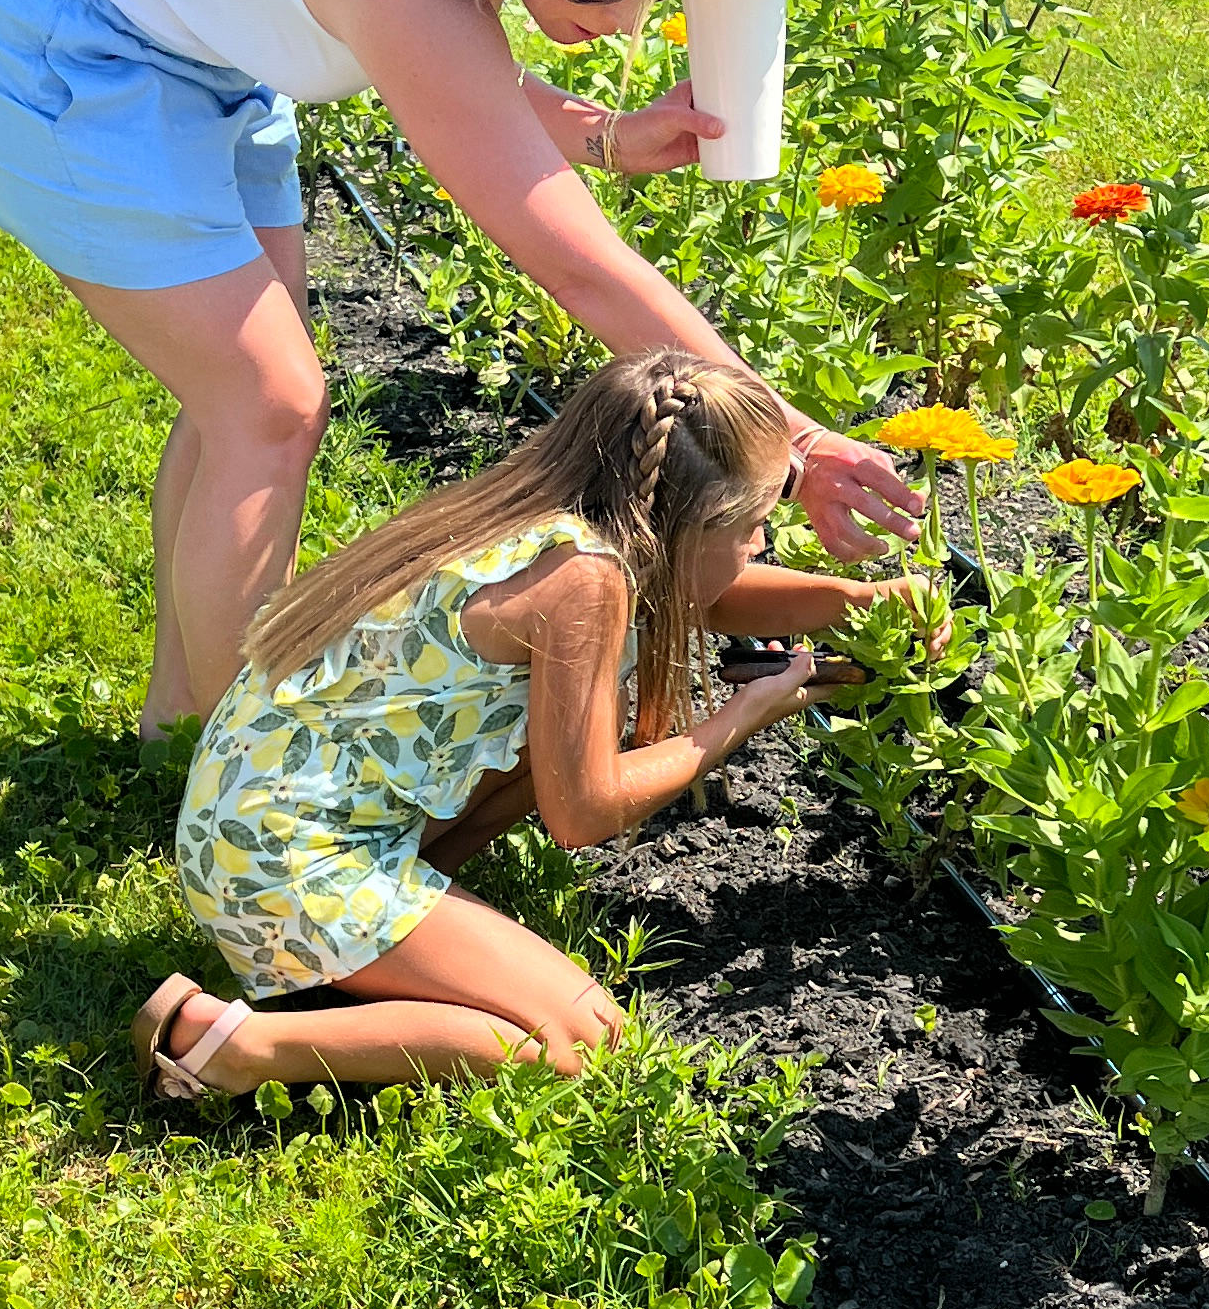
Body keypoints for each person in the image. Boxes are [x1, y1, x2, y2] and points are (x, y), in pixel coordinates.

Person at [0, 0, 920, 737]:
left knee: (248, 397)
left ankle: (178, 724)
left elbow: (452, 70)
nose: (624, 27)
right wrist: (800, 442)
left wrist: (605, 135)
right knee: (266, 403)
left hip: (187, 14)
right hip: (52, 12)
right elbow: (572, 256)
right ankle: (241, 781)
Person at [137, 351, 908, 1096]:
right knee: (578, 1043)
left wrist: (861, 603)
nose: (762, 544)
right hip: (282, 869)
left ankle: (400, 946)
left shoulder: (560, 514)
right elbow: (585, 812)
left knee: (559, 743)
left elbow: (714, 591)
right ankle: (242, 1047)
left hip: (246, 816)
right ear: (683, 525)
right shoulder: (585, 583)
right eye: (751, 525)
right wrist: (742, 715)